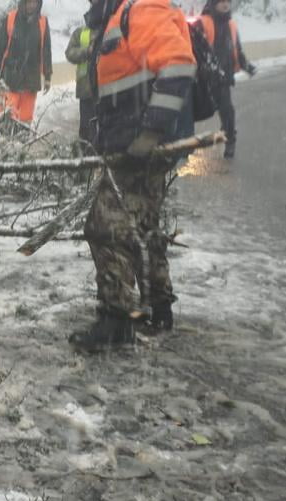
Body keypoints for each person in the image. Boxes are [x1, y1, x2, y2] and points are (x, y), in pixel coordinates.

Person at [69, 0, 196, 351]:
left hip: (141, 150)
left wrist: (150, 133)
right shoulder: (118, 15)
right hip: (129, 147)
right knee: (144, 227)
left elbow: (179, 66)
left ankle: (116, 321)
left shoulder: (141, 10)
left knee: (105, 227)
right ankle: (159, 306)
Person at [194, 0, 256, 159]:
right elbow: (195, 48)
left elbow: (237, 50)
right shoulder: (202, 23)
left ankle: (230, 141)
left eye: (228, 2)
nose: (225, 5)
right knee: (193, 112)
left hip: (223, 78)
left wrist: (246, 65)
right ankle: (182, 146)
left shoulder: (232, 25)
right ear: (214, 4)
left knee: (227, 112)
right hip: (204, 79)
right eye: (221, 2)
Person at [0, 0, 52, 124]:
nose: (32, 5)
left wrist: (48, 76)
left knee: (24, 121)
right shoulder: (11, 18)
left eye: (35, 2)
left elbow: (46, 50)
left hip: (31, 81)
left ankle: (22, 142)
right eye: (29, 2)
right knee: (5, 118)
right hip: (10, 79)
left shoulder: (43, 22)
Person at [64, 7, 96, 150]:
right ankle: (84, 164)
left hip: (108, 90)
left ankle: (102, 164)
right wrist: (87, 51)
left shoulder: (112, 27)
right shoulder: (81, 33)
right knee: (86, 130)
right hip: (87, 90)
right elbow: (70, 53)